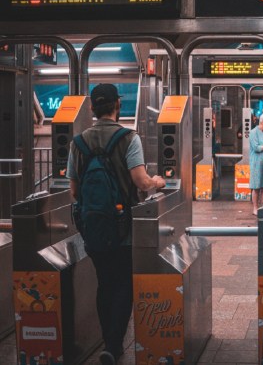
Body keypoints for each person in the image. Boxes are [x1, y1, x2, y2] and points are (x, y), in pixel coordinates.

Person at [67, 84, 166, 365]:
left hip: (93, 225)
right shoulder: (128, 138)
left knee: (104, 282)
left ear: (92, 109)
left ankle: (109, 341)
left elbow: (74, 191)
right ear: (117, 106)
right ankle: (113, 344)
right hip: (122, 225)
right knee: (124, 282)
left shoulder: (78, 142)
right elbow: (141, 182)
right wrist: (158, 181)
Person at [249, 112, 263, 216]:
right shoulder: (253, 132)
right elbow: (256, 148)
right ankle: (255, 208)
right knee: (256, 186)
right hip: (256, 162)